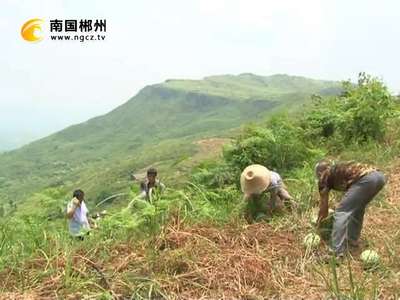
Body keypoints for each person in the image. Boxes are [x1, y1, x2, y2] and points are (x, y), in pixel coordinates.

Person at [315, 159, 386, 256]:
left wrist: (319, 228)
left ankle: (336, 251)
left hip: (366, 179)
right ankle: (352, 242)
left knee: (341, 211)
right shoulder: (338, 169)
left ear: (319, 172)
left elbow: (323, 209)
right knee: (358, 208)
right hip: (379, 176)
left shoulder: (324, 176)